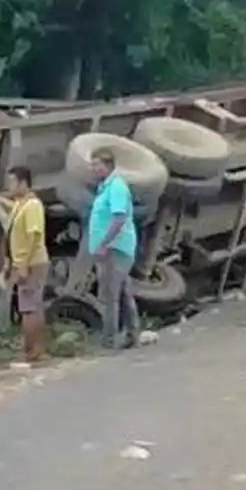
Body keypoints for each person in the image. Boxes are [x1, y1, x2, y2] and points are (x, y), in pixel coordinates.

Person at [86, 147, 141, 349]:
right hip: (115, 247)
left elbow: (119, 218)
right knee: (123, 292)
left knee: (110, 295)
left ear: (107, 165)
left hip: (115, 248)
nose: (93, 168)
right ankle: (132, 333)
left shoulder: (116, 186)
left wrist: (103, 242)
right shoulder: (106, 187)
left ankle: (108, 340)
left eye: (96, 164)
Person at [6, 165, 51, 362]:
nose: (9, 186)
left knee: (30, 307)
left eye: (12, 182)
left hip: (32, 262)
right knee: (27, 306)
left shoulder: (32, 205)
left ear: (23, 183)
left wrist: (23, 264)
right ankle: (30, 347)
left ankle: (34, 349)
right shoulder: (19, 204)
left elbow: (34, 236)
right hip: (22, 262)